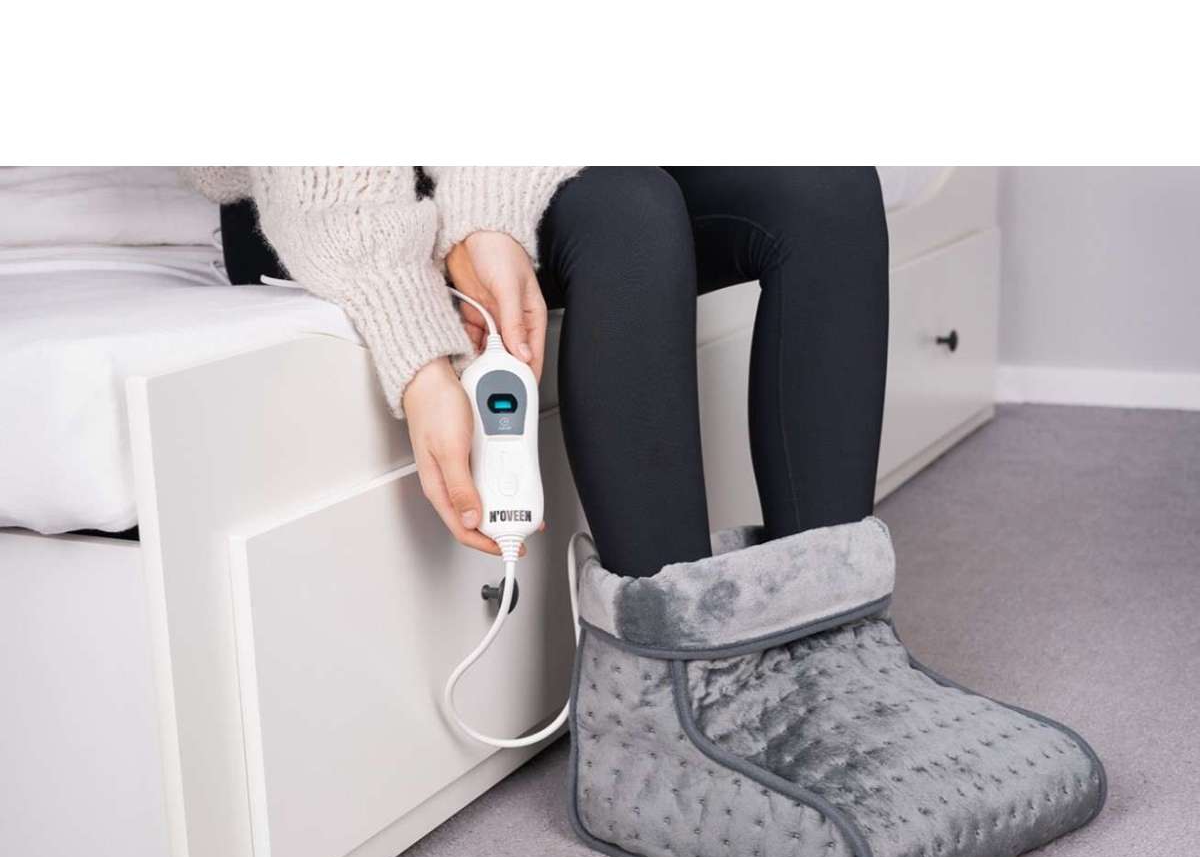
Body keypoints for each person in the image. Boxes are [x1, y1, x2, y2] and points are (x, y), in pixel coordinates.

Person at [186, 167, 888, 578]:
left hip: (517, 162)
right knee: (630, 216)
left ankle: (834, 648)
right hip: (322, 199)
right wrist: (416, 348)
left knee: (825, 187)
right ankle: (672, 691)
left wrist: (488, 216)